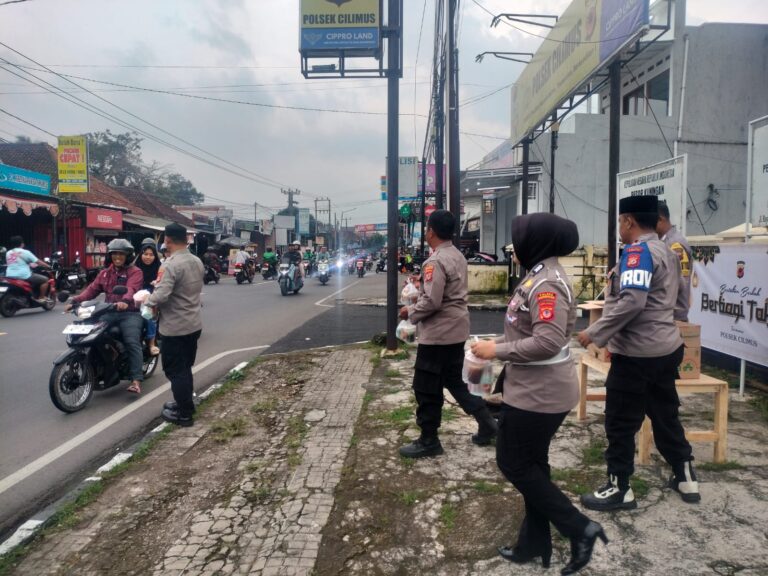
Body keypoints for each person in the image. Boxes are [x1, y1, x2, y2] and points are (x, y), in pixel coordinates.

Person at [471, 213, 606, 575]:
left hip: (539, 395)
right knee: (533, 466)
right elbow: (525, 333)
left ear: (537, 243)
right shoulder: (537, 276)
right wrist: (493, 345)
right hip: (532, 388)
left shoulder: (547, 285)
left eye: (518, 239)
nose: (513, 247)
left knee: (513, 463)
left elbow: (546, 342)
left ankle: (580, 528)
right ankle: (534, 542)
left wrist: (496, 351)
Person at [577, 195, 700, 510]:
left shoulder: (637, 253)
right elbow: (681, 302)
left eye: (620, 221)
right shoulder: (669, 251)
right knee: (665, 415)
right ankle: (685, 475)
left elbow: (632, 301)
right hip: (667, 349)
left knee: (620, 421)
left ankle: (619, 488)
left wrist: (594, 334)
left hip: (637, 354)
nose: (620, 227)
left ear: (629, 220)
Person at [397, 209, 498, 458]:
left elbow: (432, 301)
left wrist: (410, 312)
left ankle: (429, 439)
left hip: (438, 335)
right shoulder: (457, 255)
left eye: (427, 229)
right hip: (456, 331)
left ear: (430, 231)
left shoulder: (434, 261)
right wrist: (421, 286)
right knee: (455, 381)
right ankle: (487, 423)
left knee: (426, 387)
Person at [142, 223, 204, 427]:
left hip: (175, 327)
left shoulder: (170, 264)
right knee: (185, 367)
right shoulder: (196, 261)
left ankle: (184, 414)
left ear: (167, 240)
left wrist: (147, 300)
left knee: (176, 371)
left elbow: (161, 295)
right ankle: (186, 403)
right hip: (193, 324)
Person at [67, 238, 145, 394]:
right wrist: (75, 301)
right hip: (109, 311)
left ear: (128, 256)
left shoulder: (135, 272)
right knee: (91, 333)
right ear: (110, 256)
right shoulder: (104, 273)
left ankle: (136, 380)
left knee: (131, 341)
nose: (117, 257)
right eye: (114, 254)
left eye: (121, 254)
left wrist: (125, 301)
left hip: (130, 313)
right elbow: (91, 290)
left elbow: (131, 289)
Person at [656, 200, 692, 321]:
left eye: (650, 222)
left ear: (660, 219)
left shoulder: (675, 245)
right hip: (666, 317)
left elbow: (681, 284)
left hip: (675, 318)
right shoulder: (664, 242)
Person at [134, 239, 161, 357]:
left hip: (152, 298)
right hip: (135, 297)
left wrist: (156, 286)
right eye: (145, 254)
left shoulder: (160, 268)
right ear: (141, 254)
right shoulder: (134, 267)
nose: (148, 257)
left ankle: (151, 344)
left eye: (151, 255)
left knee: (148, 316)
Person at [3, 236, 52, 302]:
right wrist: (48, 266)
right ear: (22, 244)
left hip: (9, 275)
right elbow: (37, 261)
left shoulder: (8, 253)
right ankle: (41, 297)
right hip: (23, 275)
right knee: (45, 280)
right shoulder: (26, 252)